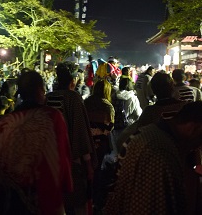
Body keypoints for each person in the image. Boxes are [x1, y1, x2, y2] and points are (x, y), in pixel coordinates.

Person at [105, 101, 202, 215]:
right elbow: (155, 206)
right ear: (195, 128)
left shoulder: (151, 133)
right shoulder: (162, 152)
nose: (198, 147)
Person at [0, 70, 73, 215]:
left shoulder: (4, 122)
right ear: (40, 89)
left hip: (9, 201)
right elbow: (62, 156)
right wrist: (66, 186)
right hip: (44, 198)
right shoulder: (52, 117)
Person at [46, 62, 97, 215]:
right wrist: (88, 164)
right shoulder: (74, 98)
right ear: (73, 81)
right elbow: (80, 131)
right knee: (77, 200)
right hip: (71, 158)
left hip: (50, 157)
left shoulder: (47, 97)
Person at [84, 79, 115, 213]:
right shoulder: (108, 106)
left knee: (87, 169)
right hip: (100, 144)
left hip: (86, 142)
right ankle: (96, 201)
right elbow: (110, 128)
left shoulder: (86, 102)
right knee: (98, 171)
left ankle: (87, 198)